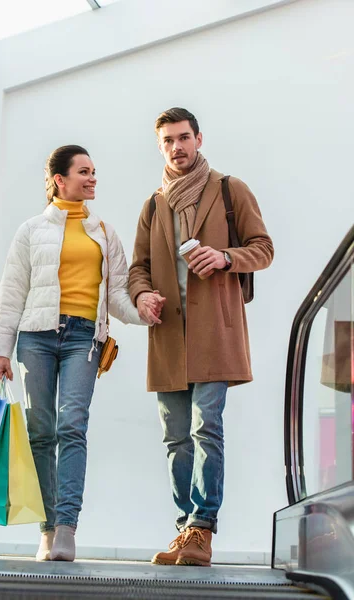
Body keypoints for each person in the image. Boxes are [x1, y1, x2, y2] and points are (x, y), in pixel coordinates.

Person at [0, 145, 155, 562]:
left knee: (72, 427)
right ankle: (46, 529)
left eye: (94, 171)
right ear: (59, 179)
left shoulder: (104, 232)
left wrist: (142, 311)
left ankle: (67, 527)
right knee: (40, 432)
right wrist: (0, 350)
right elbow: (12, 293)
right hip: (35, 337)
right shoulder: (31, 231)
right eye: (84, 172)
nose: (92, 178)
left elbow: (115, 294)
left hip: (85, 337)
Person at [129, 108, 274, 567]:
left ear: (199, 138)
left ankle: (201, 529)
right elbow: (138, 268)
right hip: (169, 335)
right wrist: (141, 295)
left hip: (216, 332)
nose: (178, 147)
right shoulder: (154, 204)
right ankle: (183, 529)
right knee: (175, 438)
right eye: (169, 140)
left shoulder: (231, 190)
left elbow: (264, 249)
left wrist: (226, 257)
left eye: (184, 137)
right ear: (160, 147)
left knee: (205, 427)